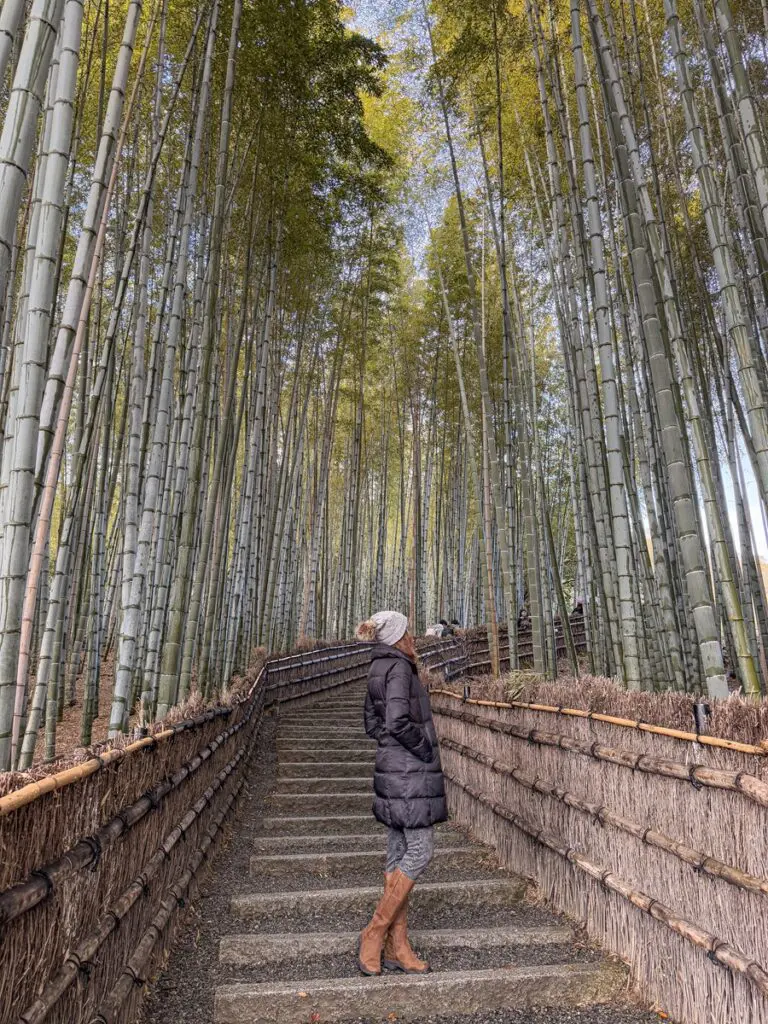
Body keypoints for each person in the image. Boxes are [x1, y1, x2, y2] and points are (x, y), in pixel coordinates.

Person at [355, 610, 448, 976]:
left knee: (397, 851)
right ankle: (374, 932)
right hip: (409, 773)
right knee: (421, 849)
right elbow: (395, 722)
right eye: (409, 633)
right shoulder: (398, 667)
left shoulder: (378, 666)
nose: (413, 638)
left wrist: (391, 747)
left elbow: (372, 723)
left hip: (393, 769)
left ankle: (398, 946)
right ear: (399, 637)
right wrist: (423, 748)